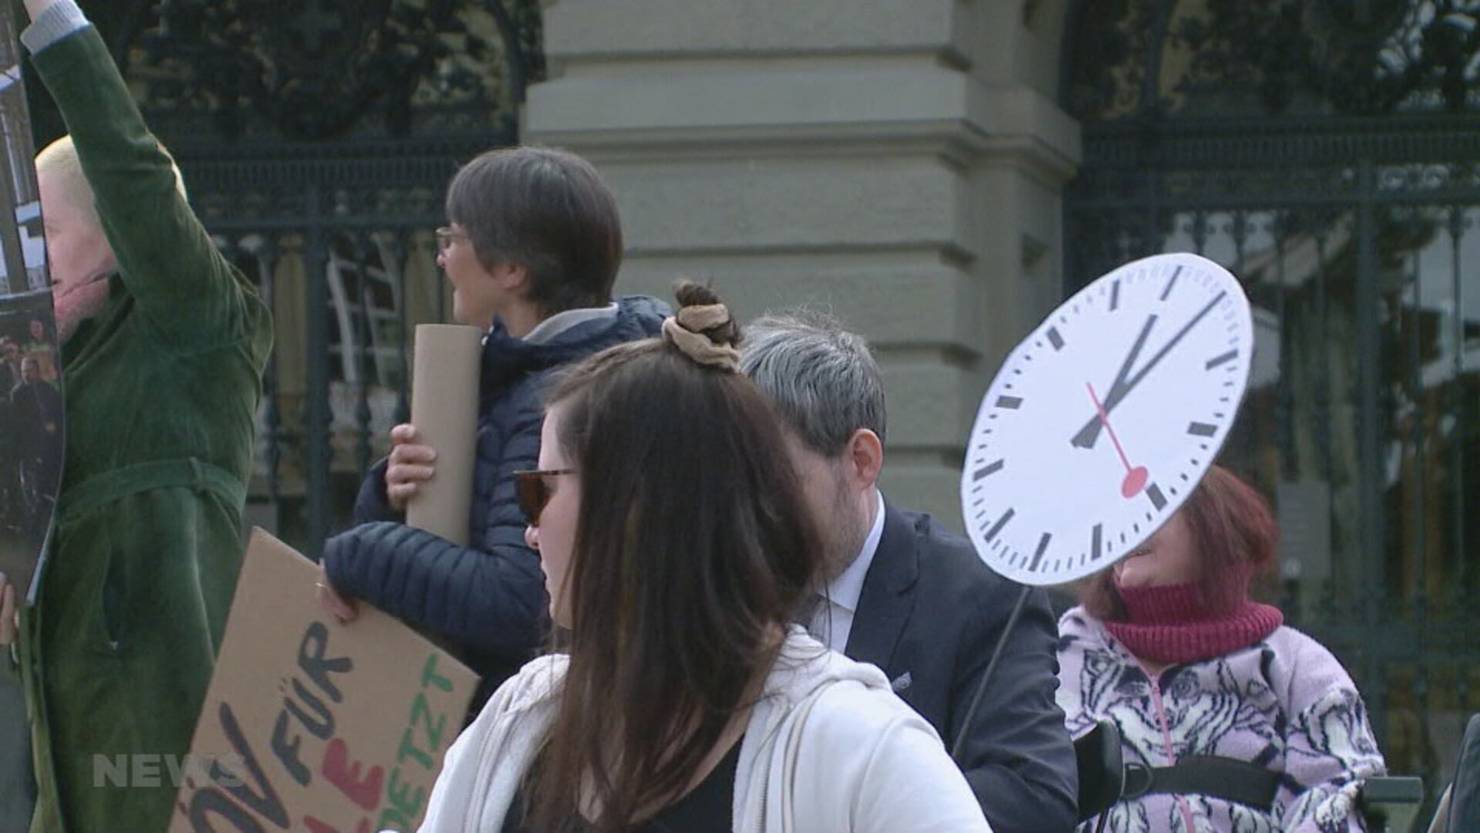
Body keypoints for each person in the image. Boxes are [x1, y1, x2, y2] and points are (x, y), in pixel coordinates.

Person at [418, 282, 991, 833]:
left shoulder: (856, 747)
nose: (530, 530)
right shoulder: (521, 721)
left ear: (637, 506)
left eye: (539, 489)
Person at [0, 1, 274, 831]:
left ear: (119, 236)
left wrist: (52, 20)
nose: (24, 257)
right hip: (70, 790)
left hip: (184, 781)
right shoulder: (48, 377)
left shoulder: (198, 333)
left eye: (44, 232)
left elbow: (131, 172)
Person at [318, 146, 666, 712]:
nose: (442, 258)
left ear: (510, 270)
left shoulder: (557, 397)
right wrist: (390, 493)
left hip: (544, 724)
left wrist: (359, 554)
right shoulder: (534, 372)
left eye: (453, 239)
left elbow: (518, 602)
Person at [740, 309, 1079, 833]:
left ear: (860, 459)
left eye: (772, 481)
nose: (749, 512)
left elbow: (1033, 794)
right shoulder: (720, 589)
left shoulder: (980, 598)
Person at [1056, 466, 1386, 833]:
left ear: (1215, 525)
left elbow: (1346, 797)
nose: (1129, 524)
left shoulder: (1297, 665)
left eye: (1152, 505)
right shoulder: (1057, 662)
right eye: (1118, 511)